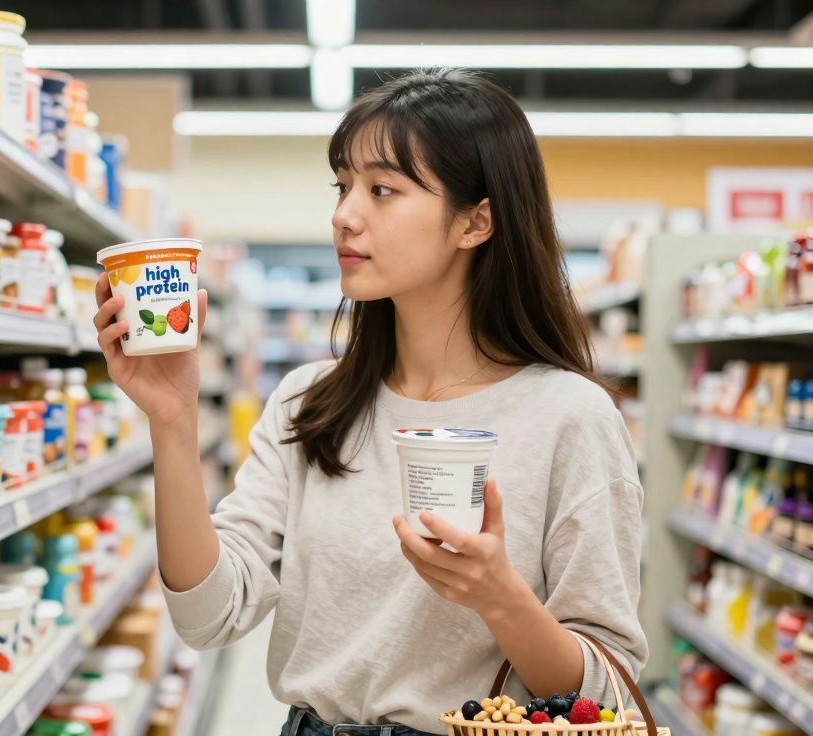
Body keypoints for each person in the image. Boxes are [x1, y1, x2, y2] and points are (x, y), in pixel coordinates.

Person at [91, 68, 646, 736]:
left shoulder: (570, 419)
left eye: (382, 189)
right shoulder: (309, 403)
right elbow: (207, 617)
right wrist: (173, 423)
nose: (344, 214)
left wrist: (502, 600)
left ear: (476, 221)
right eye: (343, 185)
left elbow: (606, 688)